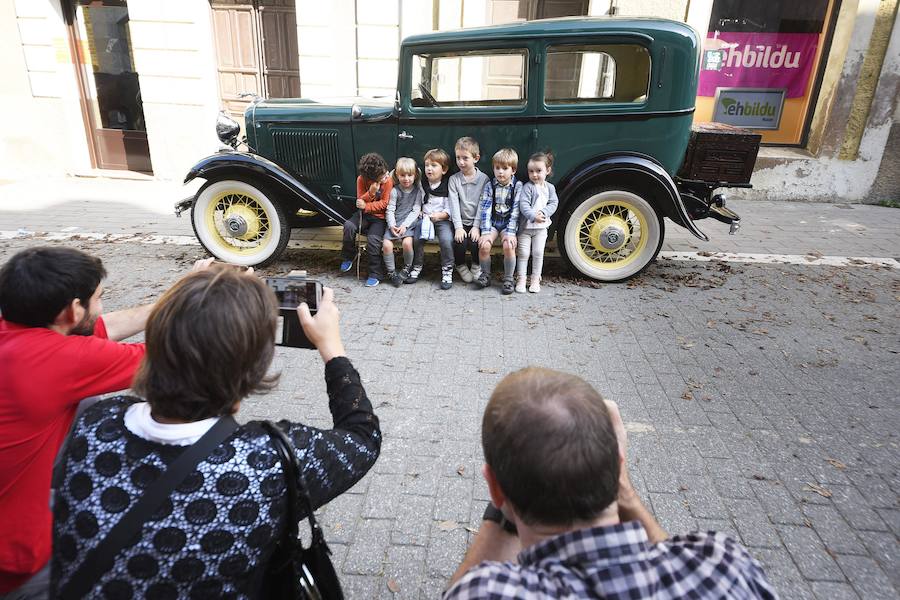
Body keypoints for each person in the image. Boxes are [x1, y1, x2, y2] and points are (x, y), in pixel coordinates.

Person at [50, 264, 381, 598]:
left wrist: (190, 299)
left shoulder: (94, 425)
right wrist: (332, 348)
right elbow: (363, 438)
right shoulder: (268, 461)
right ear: (254, 367)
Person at [444, 368, 777, 599]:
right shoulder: (720, 566)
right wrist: (623, 489)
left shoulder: (488, 592)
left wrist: (505, 501)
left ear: (495, 489)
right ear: (618, 464)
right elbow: (667, 558)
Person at [0, 246, 198, 599]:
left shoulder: (15, 335)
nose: (101, 307)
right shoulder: (58, 361)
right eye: (98, 299)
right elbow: (169, 356)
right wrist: (212, 298)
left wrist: (178, 294)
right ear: (73, 310)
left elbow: (99, 330)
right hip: (12, 559)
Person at [339, 152, 393, 287]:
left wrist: (367, 206)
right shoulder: (361, 180)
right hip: (364, 216)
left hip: (380, 218)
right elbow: (360, 201)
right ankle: (349, 256)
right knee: (349, 226)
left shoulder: (388, 181)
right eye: (383, 175)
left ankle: (375, 273)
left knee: (373, 240)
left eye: (386, 172)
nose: (386, 176)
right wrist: (371, 193)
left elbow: (386, 203)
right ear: (372, 178)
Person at [476, 148, 522, 295]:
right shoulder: (490, 186)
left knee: (509, 245)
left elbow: (516, 211)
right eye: (497, 168)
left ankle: (508, 279)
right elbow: (486, 209)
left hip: (508, 223)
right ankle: (485, 275)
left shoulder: (517, 186)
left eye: (505, 168)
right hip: (494, 222)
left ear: (513, 170)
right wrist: (486, 232)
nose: (500, 172)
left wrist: (510, 233)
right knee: (484, 245)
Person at [515, 151, 559, 294]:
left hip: (541, 229)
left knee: (538, 252)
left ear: (548, 170)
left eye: (538, 171)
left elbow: (554, 203)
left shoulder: (549, 188)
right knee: (523, 253)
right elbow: (524, 205)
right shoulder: (527, 187)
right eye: (531, 171)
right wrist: (534, 216)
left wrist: (545, 212)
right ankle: (521, 278)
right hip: (526, 228)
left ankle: (535, 278)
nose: (534, 175)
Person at [448, 137, 489, 284]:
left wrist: (477, 226)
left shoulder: (484, 179)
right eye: (458, 158)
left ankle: (477, 265)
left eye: (465, 158)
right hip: (460, 221)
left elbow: (483, 204)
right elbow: (453, 204)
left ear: (476, 158)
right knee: (460, 242)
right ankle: (460, 265)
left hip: (477, 221)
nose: (461, 162)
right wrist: (458, 227)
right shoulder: (454, 180)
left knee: (475, 242)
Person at [384, 157, 424, 287]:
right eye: (402, 175)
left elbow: (416, 210)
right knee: (386, 245)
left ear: (415, 175)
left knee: (407, 243)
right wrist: (392, 226)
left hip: (409, 223)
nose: (406, 178)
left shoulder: (417, 191)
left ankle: (407, 268)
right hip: (395, 222)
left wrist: (404, 226)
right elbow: (390, 210)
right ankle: (391, 273)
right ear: (397, 175)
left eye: (410, 175)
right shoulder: (395, 191)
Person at [419, 148, 455, 290]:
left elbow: (450, 208)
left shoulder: (447, 185)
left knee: (446, 239)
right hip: (425, 219)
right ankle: (417, 266)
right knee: (416, 238)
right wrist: (421, 213)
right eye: (427, 165)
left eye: (434, 166)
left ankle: (447, 270)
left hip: (442, 219)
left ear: (444, 169)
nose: (429, 169)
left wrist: (440, 216)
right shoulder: (422, 184)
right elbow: (419, 201)